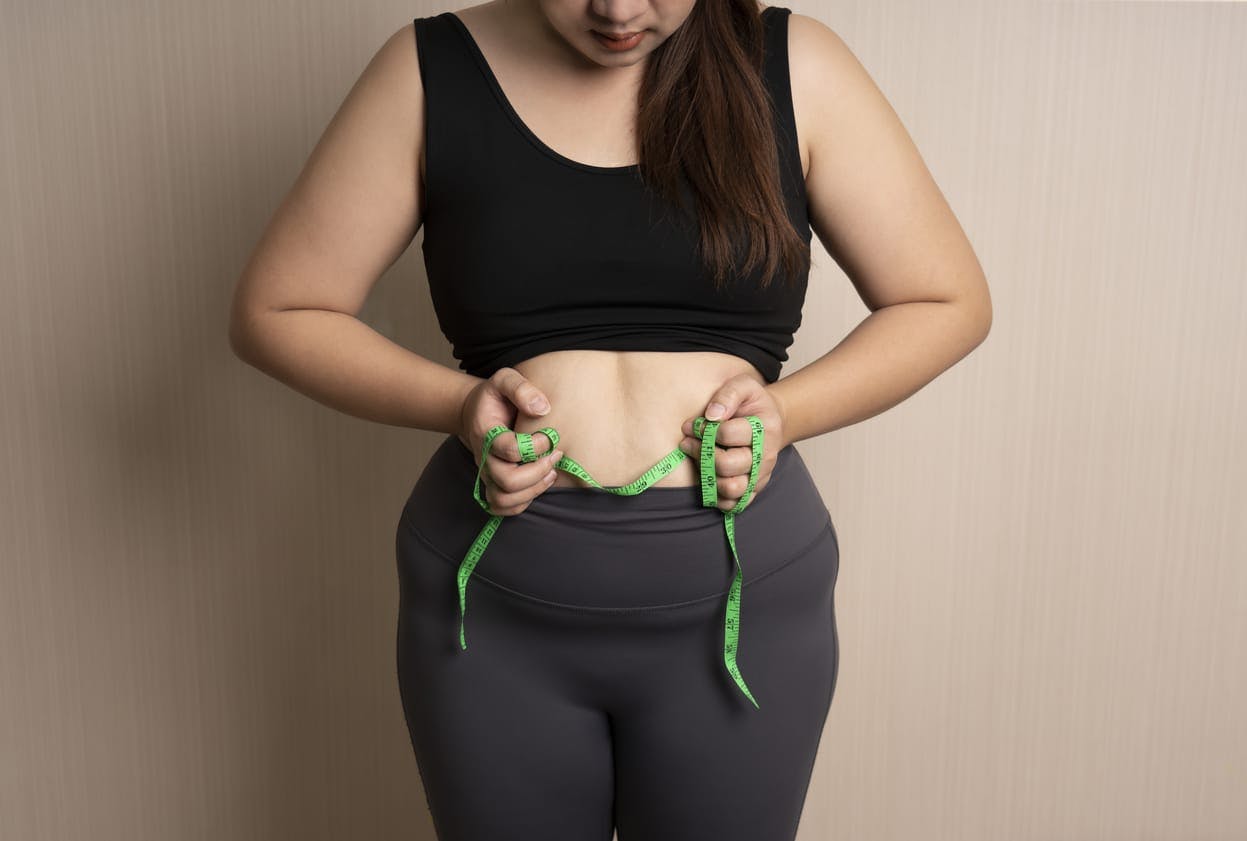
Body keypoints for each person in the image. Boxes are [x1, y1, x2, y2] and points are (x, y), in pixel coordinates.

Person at [228, 0, 992, 837]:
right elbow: (279, 309)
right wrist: (458, 407)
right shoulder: (427, 69)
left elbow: (943, 298)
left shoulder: (795, 64)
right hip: (495, 612)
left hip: (743, 603)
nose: (619, 9)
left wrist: (785, 414)